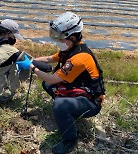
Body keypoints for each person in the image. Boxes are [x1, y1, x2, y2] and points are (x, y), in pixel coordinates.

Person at [16, 12, 105, 154]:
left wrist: (31, 67)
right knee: (48, 85)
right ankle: (68, 112)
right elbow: (49, 59)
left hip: (92, 102)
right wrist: (30, 60)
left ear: (73, 37)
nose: (57, 40)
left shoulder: (79, 58)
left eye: (60, 38)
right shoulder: (70, 49)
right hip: (79, 91)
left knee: (58, 103)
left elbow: (51, 78)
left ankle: (70, 140)